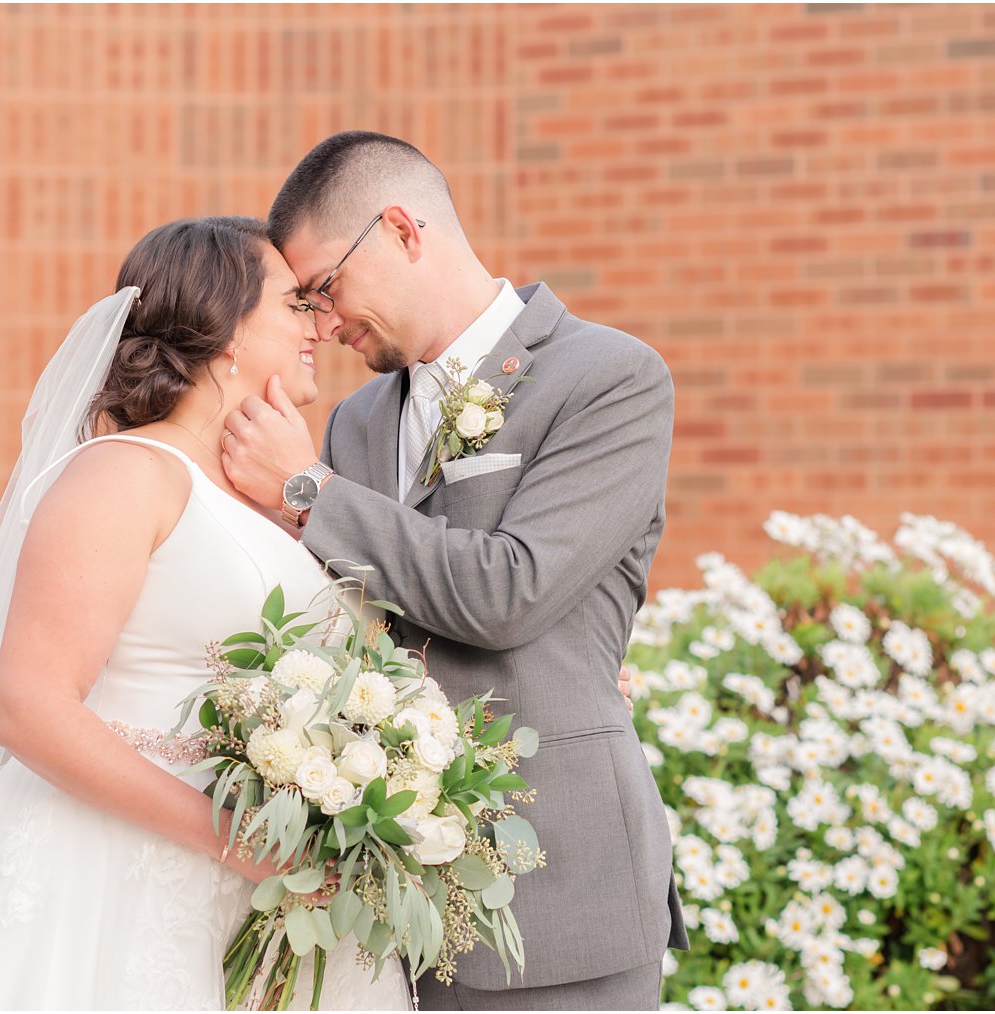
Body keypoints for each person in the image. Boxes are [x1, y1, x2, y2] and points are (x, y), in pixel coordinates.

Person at [0, 216, 410, 1010]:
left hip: (255, 886)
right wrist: (236, 841)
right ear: (227, 328)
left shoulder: (263, 498)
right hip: (111, 877)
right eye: (294, 305)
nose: (321, 324)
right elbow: (28, 707)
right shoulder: (125, 475)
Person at [220, 131, 691, 1011]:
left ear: (401, 228)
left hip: (556, 879)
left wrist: (307, 491)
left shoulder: (609, 378)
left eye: (326, 287)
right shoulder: (356, 422)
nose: (326, 323)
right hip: (382, 891)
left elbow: (509, 591)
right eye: (307, 303)